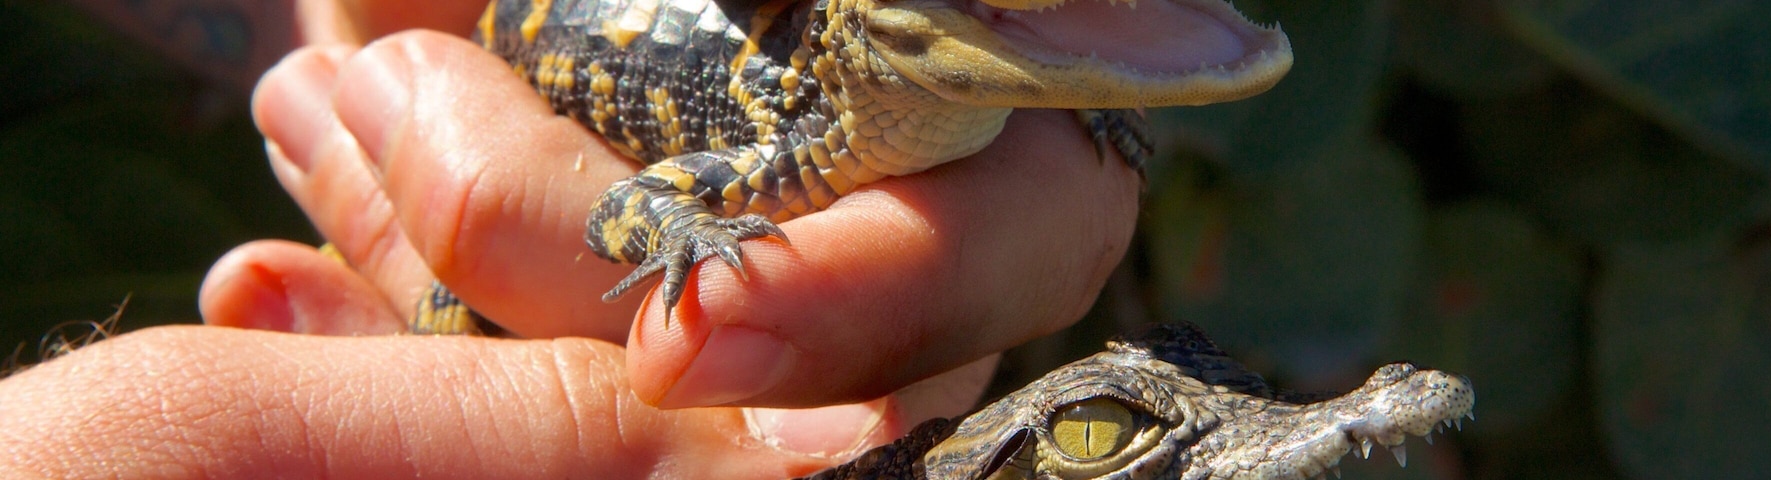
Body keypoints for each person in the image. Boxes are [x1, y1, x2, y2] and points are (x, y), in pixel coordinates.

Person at [0, 0, 1139, 477]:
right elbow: (620, 209)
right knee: (446, 324)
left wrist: (1085, 90)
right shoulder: (784, 150)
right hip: (532, 63)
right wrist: (695, 235)